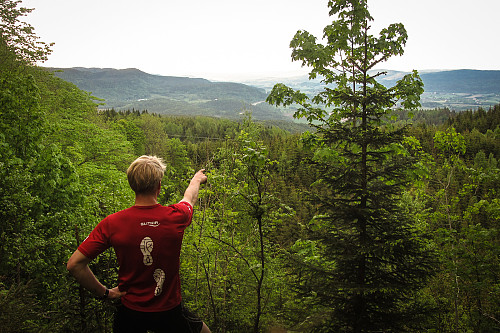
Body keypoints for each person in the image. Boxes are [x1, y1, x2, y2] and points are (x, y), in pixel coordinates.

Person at [67, 155, 210, 333]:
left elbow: (75, 264)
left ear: (132, 185)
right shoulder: (175, 217)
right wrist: (196, 179)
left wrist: (105, 293)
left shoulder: (112, 223)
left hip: (130, 313)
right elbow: (189, 198)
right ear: (158, 186)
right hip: (170, 311)